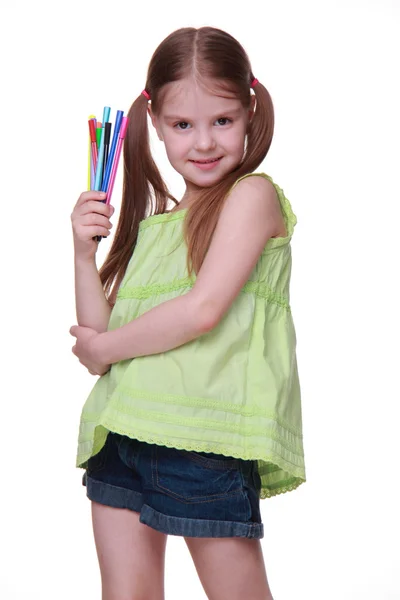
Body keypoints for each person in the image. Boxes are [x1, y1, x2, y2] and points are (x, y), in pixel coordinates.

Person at [70, 25, 305, 600]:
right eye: (182, 125)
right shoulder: (156, 228)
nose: (203, 142)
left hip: (205, 444)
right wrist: (82, 252)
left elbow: (201, 311)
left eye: (221, 120)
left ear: (250, 112)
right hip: (123, 433)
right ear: (155, 124)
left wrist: (102, 348)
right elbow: (100, 343)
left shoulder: (254, 197)